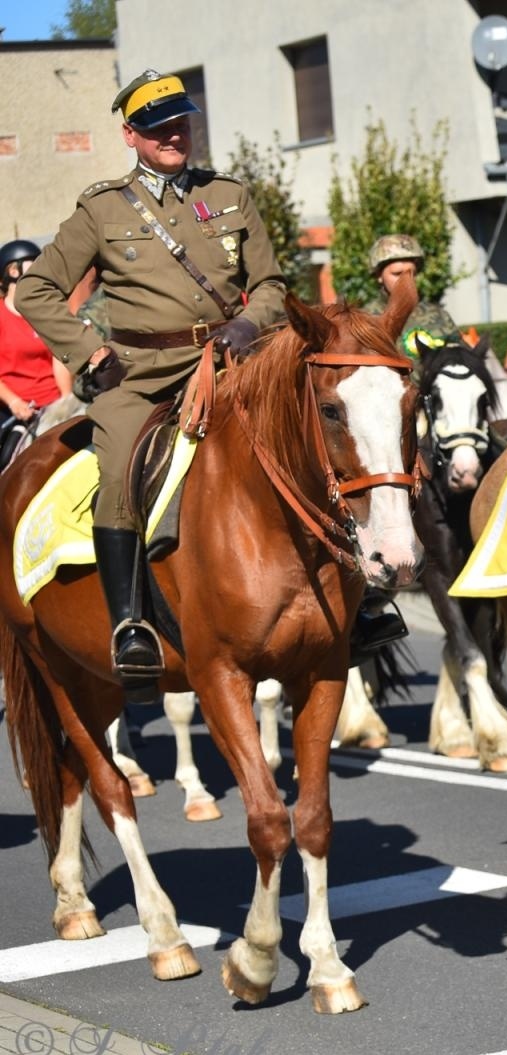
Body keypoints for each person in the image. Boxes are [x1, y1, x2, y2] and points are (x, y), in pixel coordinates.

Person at [15, 70, 286, 692]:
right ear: (130, 136)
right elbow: (36, 289)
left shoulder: (229, 196)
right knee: (118, 471)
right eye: (158, 127)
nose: (174, 134)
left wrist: (248, 325)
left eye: (181, 122)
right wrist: (89, 352)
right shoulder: (103, 207)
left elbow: (271, 284)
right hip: (139, 377)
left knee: (317, 435)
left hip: (230, 364)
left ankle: (363, 603)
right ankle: (130, 623)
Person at [0, 239, 72, 427]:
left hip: (53, 407)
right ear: (13, 271)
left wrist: (66, 400)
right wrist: (14, 402)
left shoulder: (47, 311)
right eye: (33, 261)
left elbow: (60, 358)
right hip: (14, 410)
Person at [366, 233, 460, 358]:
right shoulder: (364, 321)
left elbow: (463, 360)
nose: (406, 280)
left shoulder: (439, 316)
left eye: (411, 273)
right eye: (397, 274)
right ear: (379, 276)